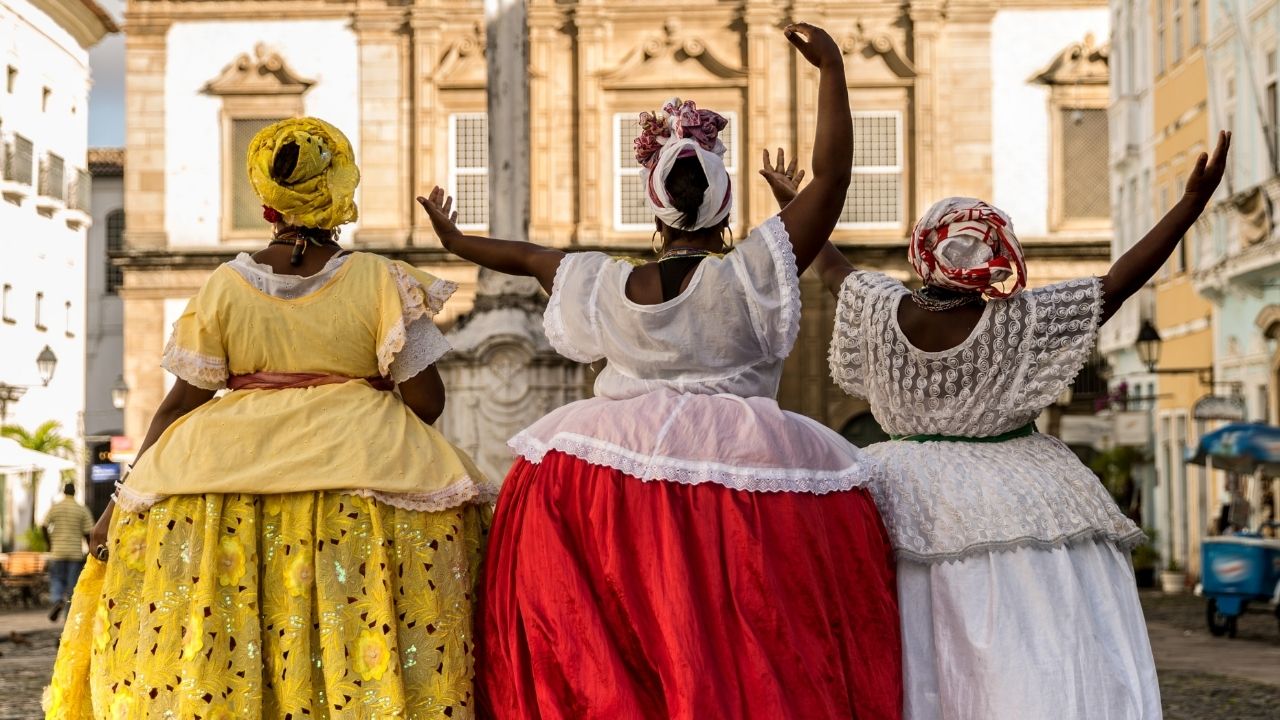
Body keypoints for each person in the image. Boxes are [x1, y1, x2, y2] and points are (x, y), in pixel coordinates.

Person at [418, 22, 901, 720]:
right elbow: (833, 177)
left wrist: (458, 241)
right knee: (741, 637)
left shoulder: (602, 284)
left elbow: (528, 257)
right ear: (725, 203)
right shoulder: (753, 271)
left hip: (606, 472)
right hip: (745, 467)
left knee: (629, 633)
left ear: (655, 205)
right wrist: (830, 69)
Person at [769, 129, 1230, 719]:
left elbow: (829, 266)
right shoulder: (1022, 322)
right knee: (1031, 642)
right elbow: (1119, 280)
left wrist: (793, 204)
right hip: (1020, 491)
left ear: (922, 251)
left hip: (894, 492)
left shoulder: (881, 307)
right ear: (998, 255)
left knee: (906, 635)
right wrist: (1190, 203)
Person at [44, 117, 493, 719]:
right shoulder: (378, 279)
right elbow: (427, 403)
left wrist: (113, 507)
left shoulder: (226, 286)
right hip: (366, 471)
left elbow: (180, 403)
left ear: (267, 204)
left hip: (218, 480)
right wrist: (367, 374)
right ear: (339, 190)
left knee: (232, 646)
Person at [42, 482, 94, 622]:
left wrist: (49, 544)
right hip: (75, 554)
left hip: (57, 552)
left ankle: (57, 600)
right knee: (72, 587)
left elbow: (44, 525)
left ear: (64, 492)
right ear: (74, 492)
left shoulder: (56, 507)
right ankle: (68, 617)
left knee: (56, 579)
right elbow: (89, 532)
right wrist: (90, 549)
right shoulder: (81, 509)